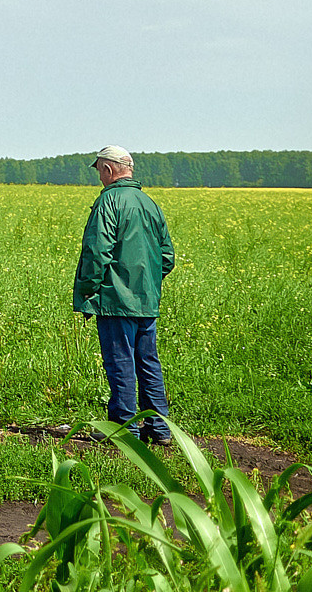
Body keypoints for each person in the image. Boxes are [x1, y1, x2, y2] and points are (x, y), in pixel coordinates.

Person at [73, 146, 177, 444]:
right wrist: (147, 283)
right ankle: (159, 429)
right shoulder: (150, 203)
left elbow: (97, 252)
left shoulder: (109, 202)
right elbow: (167, 257)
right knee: (148, 363)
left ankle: (123, 428)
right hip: (147, 302)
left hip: (115, 301)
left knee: (120, 362)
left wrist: (89, 291)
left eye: (99, 171)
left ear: (108, 170)